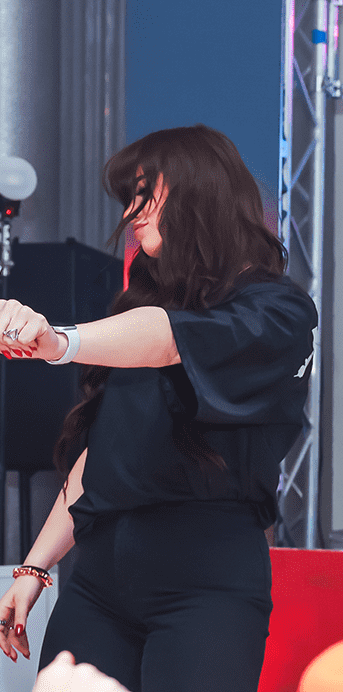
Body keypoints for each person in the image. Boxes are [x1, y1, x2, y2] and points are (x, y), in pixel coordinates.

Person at [0, 125, 317, 692]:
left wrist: (58, 341)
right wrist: (34, 566)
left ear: (201, 192)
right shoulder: (141, 309)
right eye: (130, 197)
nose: (132, 211)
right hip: (98, 585)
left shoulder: (276, 313)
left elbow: (169, 338)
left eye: (146, 193)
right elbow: (104, 454)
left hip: (206, 587)